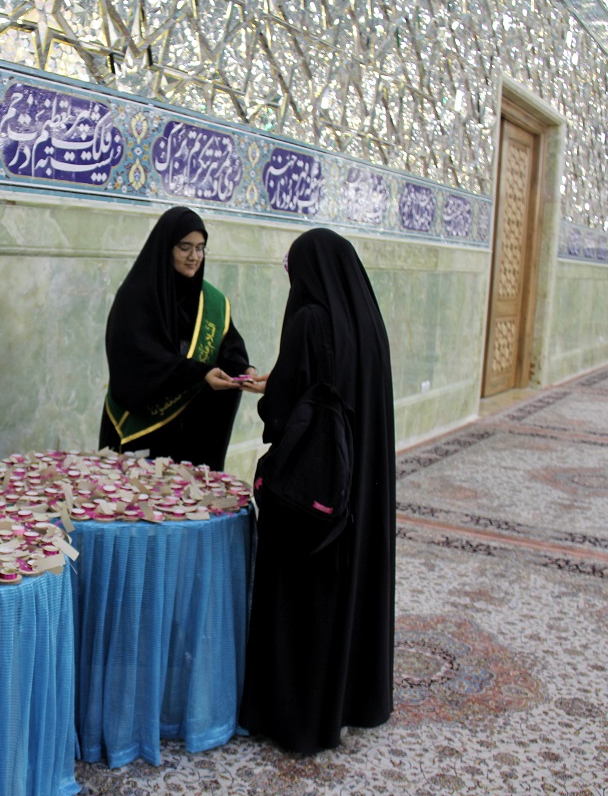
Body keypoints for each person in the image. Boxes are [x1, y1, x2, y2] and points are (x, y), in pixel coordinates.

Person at [239, 227, 395, 754]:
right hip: (356, 496)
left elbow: (288, 411)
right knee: (348, 594)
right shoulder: (367, 322)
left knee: (305, 600)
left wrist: (273, 392)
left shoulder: (309, 318)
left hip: (313, 500)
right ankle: (352, 702)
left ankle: (298, 718)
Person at [100, 206, 266, 470]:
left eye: (200, 248)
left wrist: (244, 371)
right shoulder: (136, 298)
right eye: (185, 247)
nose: (194, 257)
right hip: (145, 429)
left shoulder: (210, 300)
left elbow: (227, 346)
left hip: (192, 430)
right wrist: (199, 373)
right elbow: (140, 362)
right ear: (166, 248)